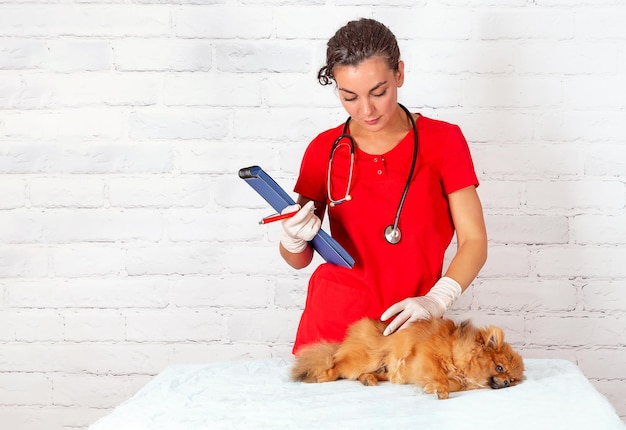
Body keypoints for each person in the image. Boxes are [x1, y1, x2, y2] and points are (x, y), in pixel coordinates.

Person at [279, 18, 488, 355]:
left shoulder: (444, 142)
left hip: (410, 332)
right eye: (349, 97)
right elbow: (299, 259)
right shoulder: (324, 150)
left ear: (399, 75)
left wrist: (437, 299)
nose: (366, 110)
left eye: (379, 92)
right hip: (332, 335)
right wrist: (291, 238)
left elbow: (474, 240)